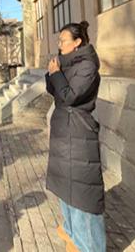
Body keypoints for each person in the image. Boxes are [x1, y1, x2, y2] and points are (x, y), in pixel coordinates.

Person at [45, 21, 105, 252]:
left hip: (78, 132)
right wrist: (53, 72)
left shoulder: (88, 66)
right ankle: (72, 231)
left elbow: (69, 96)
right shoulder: (66, 63)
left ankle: (90, 245)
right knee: (65, 185)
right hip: (63, 131)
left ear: (77, 42)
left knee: (82, 192)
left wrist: (56, 74)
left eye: (63, 40)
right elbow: (55, 91)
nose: (59, 44)